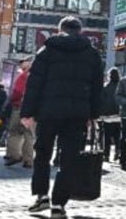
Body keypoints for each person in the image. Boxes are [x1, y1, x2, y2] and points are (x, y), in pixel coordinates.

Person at [21, 16, 104, 219]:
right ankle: (59, 204)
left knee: (42, 153)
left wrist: (27, 112)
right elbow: (97, 88)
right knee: (70, 159)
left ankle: (42, 196)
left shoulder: (46, 51)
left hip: (48, 112)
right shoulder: (92, 54)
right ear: (80, 31)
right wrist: (93, 114)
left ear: (59, 30)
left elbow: (34, 84)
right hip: (77, 115)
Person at [5, 56, 34, 167]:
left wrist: (12, 100)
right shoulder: (39, 76)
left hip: (20, 107)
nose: (20, 65)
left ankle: (14, 155)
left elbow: (17, 91)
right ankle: (28, 160)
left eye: (22, 63)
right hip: (33, 109)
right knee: (29, 135)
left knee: (14, 132)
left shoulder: (23, 76)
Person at [99, 68, 122, 163]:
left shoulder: (105, 87)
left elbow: (102, 102)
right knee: (117, 137)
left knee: (106, 137)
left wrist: (101, 114)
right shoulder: (121, 86)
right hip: (119, 116)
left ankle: (106, 155)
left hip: (107, 117)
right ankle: (118, 152)